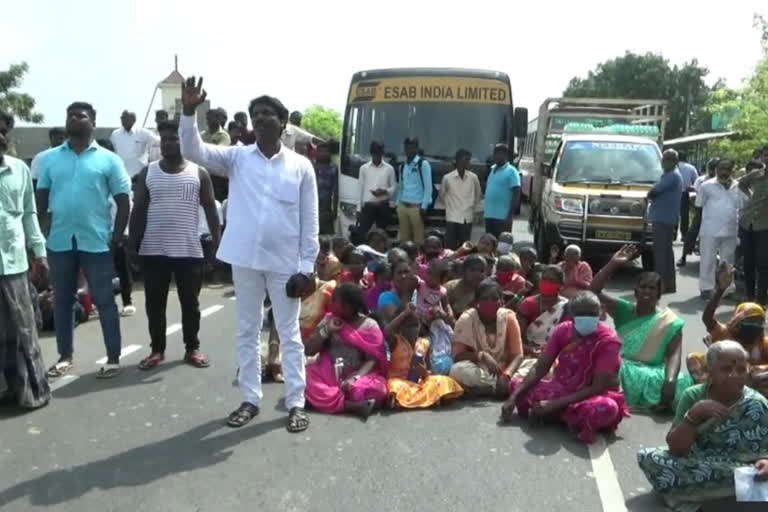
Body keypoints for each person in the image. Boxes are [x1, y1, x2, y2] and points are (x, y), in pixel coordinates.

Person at [179, 77, 318, 432]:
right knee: (247, 330)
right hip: (245, 259)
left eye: (267, 113)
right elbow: (194, 151)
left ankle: (296, 402)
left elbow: (310, 221)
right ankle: (250, 399)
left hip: (286, 264)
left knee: (288, 333)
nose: (259, 118)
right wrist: (189, 112)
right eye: (255, 114)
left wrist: (306, 267)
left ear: (282, 121)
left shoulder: (301, 167)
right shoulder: (238, 158)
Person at [36, 102, 131, 379]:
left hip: (97, 241)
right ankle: (65, 356)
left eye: (82, 115)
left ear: (93, 122)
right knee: (63, 300)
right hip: (60, 241)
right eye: (71, 115)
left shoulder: (108, 160)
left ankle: (113, 358)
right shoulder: (50, 159)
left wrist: (117, 235)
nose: (75, 119)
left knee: (104, 301)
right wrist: (42, 231)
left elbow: (123, 201)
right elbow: (41, 197)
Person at [128, 118, 220, 370]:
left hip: (189, 249)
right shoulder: (149, 172)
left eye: (175, 138)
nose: (169, 143)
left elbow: (211, 210)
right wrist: (132, 245)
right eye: (165, 139)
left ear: (183, 141)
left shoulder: (198, 172)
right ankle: (157, 350)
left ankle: (192, 348)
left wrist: (217, 244)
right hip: (153, 249)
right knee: (154, 304)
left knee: (190, 304)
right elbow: (138, 211)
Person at [637, 341, 768, 511]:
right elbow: (676, 449)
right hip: (700, 462)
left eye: (741, 370)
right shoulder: (694, 395)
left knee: (750, 475)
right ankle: (732, 495)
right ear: (710, 372)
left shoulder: (757, 404)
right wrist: (694, 415)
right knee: (651, 458)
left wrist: (765, 461)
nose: (734, 375)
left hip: (744, 469)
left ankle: (703, 497)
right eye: (726, 369)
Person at [501, 291, 629, 443]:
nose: (587, 317)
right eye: (581, 314)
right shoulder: (563, 330)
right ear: (572, 314)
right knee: (517, 385)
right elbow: (540, 367)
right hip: (561, 388)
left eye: (591, 313)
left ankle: (553, 413)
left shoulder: (608, 340)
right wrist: (513, 397)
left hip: (590, 396)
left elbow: (598, 387)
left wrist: (553, 404)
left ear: (601, 311)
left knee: (608, 408)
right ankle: (565, 417)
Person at [591, 245, 693, 410]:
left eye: (652, 288)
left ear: (660, 293)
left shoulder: (671, 321)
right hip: (624, 368)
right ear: (636, 291)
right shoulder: (623, 309)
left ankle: (656, 399)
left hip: (654, 372)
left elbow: (674, 354)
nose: (647, 291)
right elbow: (593, 292)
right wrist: (612, 264)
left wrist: (670, 380)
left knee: (683, 383)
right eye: (643, 287)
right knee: (607, 369)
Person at [0, 130, 51, 409]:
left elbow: (30, 214)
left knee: (23, 331)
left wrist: (39, 252)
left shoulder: (18, 170)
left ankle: (31, 392)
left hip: (14, 263)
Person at [378, 260, 463, 408]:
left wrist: (422, 370)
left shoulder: (423, 343)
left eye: (407, 272)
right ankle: (408, 398)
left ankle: (426, 396)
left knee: (439, 381)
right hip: (398, 379)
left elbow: (427, 372)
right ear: (392, 277)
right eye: (399, 273)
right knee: (394, 386)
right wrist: (406, 306)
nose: (404, 276)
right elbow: (390, 328)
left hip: (417, 380)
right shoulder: (397, 340)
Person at [303, 283, 388, 419]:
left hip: (358, 377)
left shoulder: (370, 326)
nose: (331, 303)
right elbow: (309, 350)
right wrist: (327, 330)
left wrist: (354, 379)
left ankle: (323, 400)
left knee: (379, 390)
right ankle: (353, 406)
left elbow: (372, 359)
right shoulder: (329, 319)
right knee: (303, 377)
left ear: (346, 306)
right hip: (328, 374)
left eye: (334, 300)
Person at [687, 264, 768, 393]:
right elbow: (707, 319)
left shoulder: (762, 343)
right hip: (723, 378)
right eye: (750, 321)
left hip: (752, 382)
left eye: (758, 321)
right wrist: (720, 290)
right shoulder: (725, 334)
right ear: (737, 321)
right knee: (693, 358)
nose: (755, 325)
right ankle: (704, 387)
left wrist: (754, 373)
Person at [450, 279, 524, 397]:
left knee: (536, 366)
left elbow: (518, 355)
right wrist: (482, 355)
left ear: (502, 302)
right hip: (481, 369)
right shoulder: (467, 319)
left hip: (506, 369)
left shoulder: (508, 317)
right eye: (485, 299)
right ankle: (504, 388)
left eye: (494, 299)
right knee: (457, 370)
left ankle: (493, 388)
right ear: (476, 302)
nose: (490, 303)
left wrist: (506, 375)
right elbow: (457, 356)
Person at [695, 159, 739, 300]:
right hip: (710, 230)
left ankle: (726, 289)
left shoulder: (738, 186)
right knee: (708, 260)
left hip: (731, 229)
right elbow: (699, 205)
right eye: (721, 168)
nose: (724, 172)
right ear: (716, 170)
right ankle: (706, 288)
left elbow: (743, 205)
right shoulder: (706, 186)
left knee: (728, 261)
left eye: (727, 168)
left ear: (732, 170)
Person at [647, 149, 683, 294]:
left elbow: (653, 192)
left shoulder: (672, 176)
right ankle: (669, 284)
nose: (663, 162)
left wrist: (650, 194)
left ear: (673, 161)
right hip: (666, 218)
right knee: (666, 252)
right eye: (663, 159)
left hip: (663, 219)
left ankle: (660, 285)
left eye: (666, 159)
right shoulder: (672, 175)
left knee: (661, 254)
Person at [517, 265, 570, 355]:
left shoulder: (567, 306)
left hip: (557, 354)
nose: (547, 282)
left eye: (551, 281)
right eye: (544, 279)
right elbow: (517, 337)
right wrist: (532, 351)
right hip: (529, 352)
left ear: (561, 285)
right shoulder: (528, 304)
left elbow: (568, 339)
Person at [678, 157, 719, 267]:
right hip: (702, 210)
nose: (712, 170)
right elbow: (693, 195)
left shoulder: (723, 181)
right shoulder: (701, 180)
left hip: (718, 212)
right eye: (711, 167)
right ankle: (683, 257)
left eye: (715, 168)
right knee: (693, 231)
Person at [738, 156, 768, 304]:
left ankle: (761, 299)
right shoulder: (757, 173)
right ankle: (749, 295)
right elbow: (741, 183)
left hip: (764, 226)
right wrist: (751, 195)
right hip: (747, 223)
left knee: (763, 264)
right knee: (748, 262)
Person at [440, 148, 482, 250]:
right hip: (452, 217)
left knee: (465, 247)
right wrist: (450, 206)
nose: (468, 162)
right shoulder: (447, 178)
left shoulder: (473, 178)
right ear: (458, 160)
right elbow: (442, 195)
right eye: (466, 159)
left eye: (469, 160)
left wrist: (475, 211)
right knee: (450, 247)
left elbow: (478, 195)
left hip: (467, 218)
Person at [396, 137, 432, 243]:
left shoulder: (423, 164)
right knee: (404, 240)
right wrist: (398, 205)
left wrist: (424, 207)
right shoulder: (402, 166)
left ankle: (418, 260)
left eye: (412, 148)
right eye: (407, 148)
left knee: (418, 241)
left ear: (416, 149)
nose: (409, 150)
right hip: (403, 207)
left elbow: (428, 188)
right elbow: (401, 187)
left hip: (416, 208)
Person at [357, 141, 396, 235]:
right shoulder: (364, 168)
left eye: (379, 153)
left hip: (383, 207)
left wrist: (385, 191)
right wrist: (358, 208)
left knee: (382, 234)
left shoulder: (389, 169)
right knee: (363, 234)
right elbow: (360, 188)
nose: (377, 155)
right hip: (368, 207)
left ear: (382, 153)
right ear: (371, 153)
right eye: (375, 153)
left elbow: (394, 187)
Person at [483, 144, 520, 238]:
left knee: (501, 246)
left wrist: (510, 215)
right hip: (489, 216)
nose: (495, 156)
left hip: (502, 218)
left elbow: (516, 194)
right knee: (489, 245)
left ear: (505, 155)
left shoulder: (512, 171)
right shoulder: (492, 170)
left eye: (498, 154)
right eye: (494, 153)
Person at [110, 110, 160, 179]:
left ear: (133, 120)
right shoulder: (115, 134)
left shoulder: (143, 133)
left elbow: (158, 142)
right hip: (122, 176)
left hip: (140, 176)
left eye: (125, 118)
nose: (122, 120)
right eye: (121, 118)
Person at [446, 255, 487, 319]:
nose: (477, 274)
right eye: (473, 270)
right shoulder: (450, 287)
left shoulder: (487, 291)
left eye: (481, 271)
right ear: (463, 271)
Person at [314, 141, 338, 235]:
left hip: (327, 210)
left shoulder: (334, 168)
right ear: (317, 153)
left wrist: (335, 210)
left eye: (326, 151)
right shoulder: (311, 167)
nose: (323, 154)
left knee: (328, 238)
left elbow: (336, 191)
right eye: (321, 151)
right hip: (313, 208)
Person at [676, 151, 698, 241]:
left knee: (673, 213)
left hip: (674, 193)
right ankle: (684, 234)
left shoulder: (674, 167)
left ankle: (672, 233)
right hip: (686, 193)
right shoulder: (691, 167)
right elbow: (696, 181)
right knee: (684, 214)